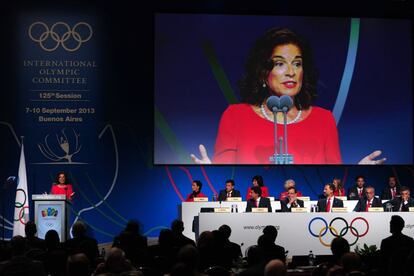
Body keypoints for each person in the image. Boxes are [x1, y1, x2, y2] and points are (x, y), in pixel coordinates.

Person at [190, 27, 386, 165]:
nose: (291, 71)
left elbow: (332, 187)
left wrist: (356, 174)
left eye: (297, 63)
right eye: (280, 63)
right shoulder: (235, 116)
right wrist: (210, 172)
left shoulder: (323, 119)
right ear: (263, 73)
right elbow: (227, 180)